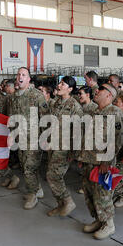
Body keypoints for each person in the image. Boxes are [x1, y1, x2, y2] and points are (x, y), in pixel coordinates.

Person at [77, 83, 123, 240]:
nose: (96, 91)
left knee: (102, 195)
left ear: (109, 95)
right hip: (88, 159)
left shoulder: (115, 113)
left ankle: (108, 224)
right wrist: (81, 156)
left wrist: (107, 161)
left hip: (102, 163)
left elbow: (116, 140)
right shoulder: (93, 111)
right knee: (90, 193)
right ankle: (98, 220)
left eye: (101, 90)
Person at [7, 67, 49, 210]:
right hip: (20, 138)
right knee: (25, 165)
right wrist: (11, 135)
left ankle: (32, 194)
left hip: (34, 138)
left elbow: (45, 117)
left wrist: (45, 137)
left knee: (29, 168)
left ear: (29, 79)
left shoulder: (36, 95)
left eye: (24, 74)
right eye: (18, 74)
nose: (20, 76)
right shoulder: (14, 96)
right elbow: (12, 117)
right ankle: (37, 189)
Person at [46, 76, 83, 217]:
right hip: (53, 145)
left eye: (63, 84)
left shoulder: (74, 106)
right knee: (53, 175)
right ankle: (60, 204)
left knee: (53, 175)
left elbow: (79, 131)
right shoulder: (56, 103)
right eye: (60, 83)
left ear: (70, 89)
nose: (59, 86)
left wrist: (73, 153)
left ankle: (67, 201)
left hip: (65, 147)